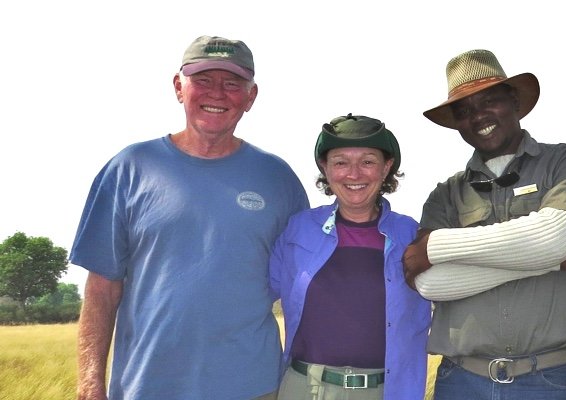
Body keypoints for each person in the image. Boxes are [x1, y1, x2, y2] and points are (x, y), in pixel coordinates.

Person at [70, 35, 309, 400]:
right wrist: (89, 385)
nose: (217, 94)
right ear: (179, 88)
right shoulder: (130, 168)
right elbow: (101, 290)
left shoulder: (279, 180)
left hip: (253, 388)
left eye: (232, 84)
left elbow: (300, 291)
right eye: (203, 81)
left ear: (251, 96)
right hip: (146, 387)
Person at [402, 49, 566, 399]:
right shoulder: (446, 194)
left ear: (514, 100)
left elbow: (554, 238)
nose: (477, 116)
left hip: (551, 381)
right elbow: (432, 283)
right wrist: (556, 264)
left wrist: (433, 247)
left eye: (489, 100)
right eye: (463, 111)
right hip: (461, 382)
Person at [269, 114, 432, 400]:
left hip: (385, 392)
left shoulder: (412, 234)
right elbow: (255, 296)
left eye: (368, 161)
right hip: (304, 389)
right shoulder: (298, 228)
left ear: (386, 168)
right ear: (325, 168)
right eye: (341, 162)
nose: (354, 174)